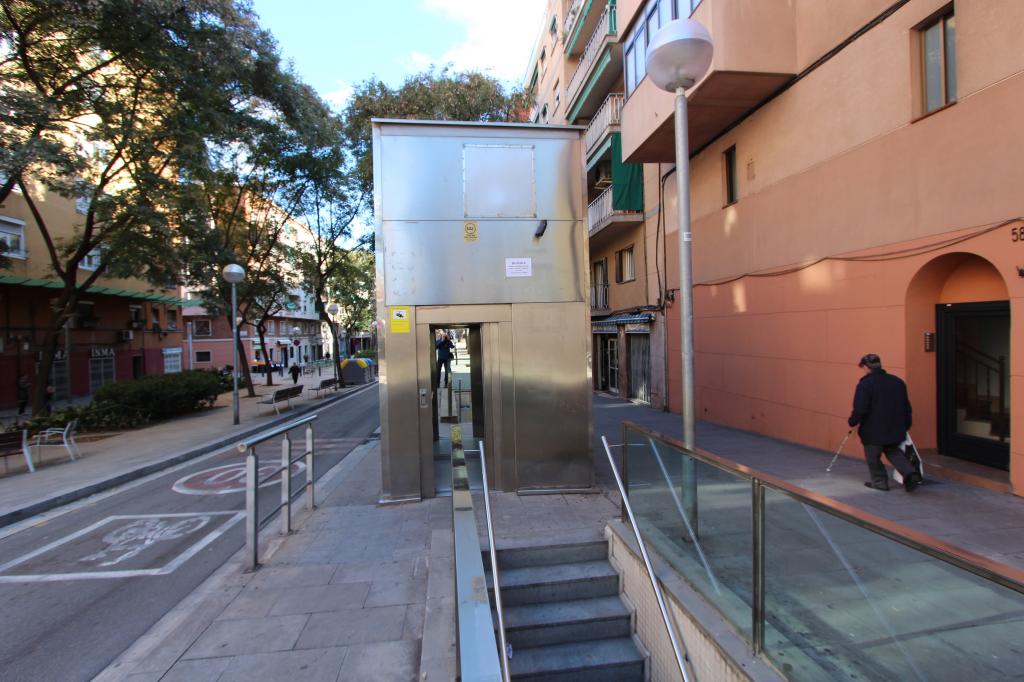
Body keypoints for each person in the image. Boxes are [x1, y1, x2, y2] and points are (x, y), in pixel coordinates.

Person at [848, 354, 922, 492]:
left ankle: (880, 482)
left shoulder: (865, 384)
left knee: (873, 456)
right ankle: (910, 473)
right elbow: (906, 406)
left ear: (866, 367)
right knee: (893, 451)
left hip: (873, 429)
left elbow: (860, 408)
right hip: (895, 427)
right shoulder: (897, 382)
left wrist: (853, 421)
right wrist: (906, 424)